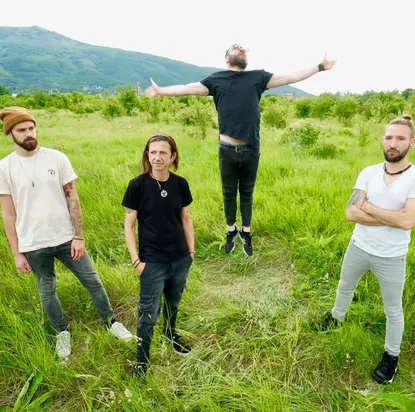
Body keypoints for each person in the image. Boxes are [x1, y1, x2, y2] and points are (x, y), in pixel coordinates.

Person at [145, 44, 336, 256]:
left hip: (251, 149)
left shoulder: (257, 78)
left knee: (247, 193)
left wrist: (320, 67)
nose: (241, 49)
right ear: (227, 58)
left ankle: (245, 231)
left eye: (244, 49)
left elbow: (291, 77)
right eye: (236, 48)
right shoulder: (216, 80)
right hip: (227, 150)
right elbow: (186, 88)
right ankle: (231, 230)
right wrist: (161, 91)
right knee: (228, 193)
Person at [0, 107, 134, 358]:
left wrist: (78, 236)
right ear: (10, 134)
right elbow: (8, 214)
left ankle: (111, 323)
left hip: (66, 238)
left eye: (31, 128)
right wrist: (17, 253)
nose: (29, 133)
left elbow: (73, 198)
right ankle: (62, 331)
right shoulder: (4, 168)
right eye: (22, 130)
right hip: (33, 243)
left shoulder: (56, 158)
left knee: (92, 281)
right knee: (47, 290)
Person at [315, 115, 415, 384]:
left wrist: (368, 207)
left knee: (393, 310)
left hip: (391, 257)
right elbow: (350, 213)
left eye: (400, 138)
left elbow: (407, 221)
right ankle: (336, 318)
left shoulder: (414, 177)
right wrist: (392, 217)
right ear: (383, 139)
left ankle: (391, 356)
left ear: (411, 143)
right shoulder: (368, 172)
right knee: (344, 286)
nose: (393, 143)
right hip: (358, 246)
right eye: (389, 137)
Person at [122, 133, 194, 378]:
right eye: (153, 152)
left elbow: (186, 217)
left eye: (163, 152)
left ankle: (170, 335)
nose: (157, 157)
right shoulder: (138, 185)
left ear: (172, 157)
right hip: (151, 262)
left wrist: (191, 251)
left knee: (173, 302)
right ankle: (142, 362)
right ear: (147, 155)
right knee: (147, 314)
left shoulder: (180, 184)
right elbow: (129, 224)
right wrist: (136, 260)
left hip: (180, 258)